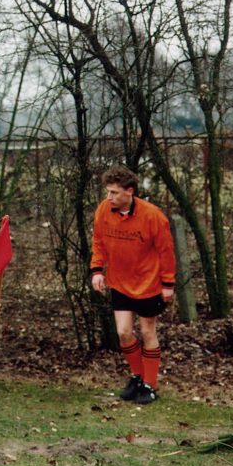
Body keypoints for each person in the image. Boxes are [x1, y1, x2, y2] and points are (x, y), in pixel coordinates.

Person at [90, 165, 176, 405]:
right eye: (108, 192)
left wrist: (168, 283)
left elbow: (166, 251)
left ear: (129, 191)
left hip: (148, 283)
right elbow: (98, 241)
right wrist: (97, 269)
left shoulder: (152, 215)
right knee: (123, 333)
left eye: (114, 193)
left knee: (148, 331)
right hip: (119, 281)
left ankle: (150, 384)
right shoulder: (104, 211)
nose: (109, 198)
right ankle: (137, 377)